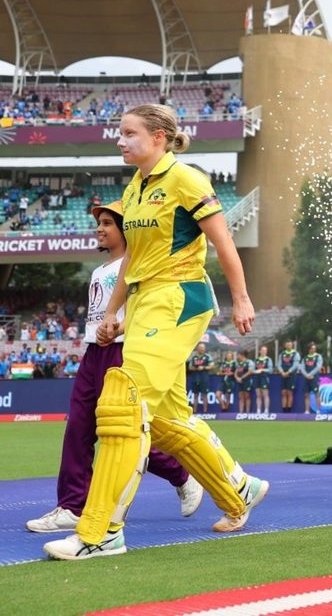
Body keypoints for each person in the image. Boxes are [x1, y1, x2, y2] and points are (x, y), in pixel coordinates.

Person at [44, 104, 265, 561]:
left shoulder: (187, 179)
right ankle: (238, 488)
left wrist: (241, 298)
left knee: (121, 404)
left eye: (129, 133)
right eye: (119, 133)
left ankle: (101, 531)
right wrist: (114, 310)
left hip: (180, 297)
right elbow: (132, 260)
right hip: (145, 302)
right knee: (166, 422)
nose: (120, 140)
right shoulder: (136, 186)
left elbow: (223, 241)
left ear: (160, 137)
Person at [26, 199, 202, 535]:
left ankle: (182, 475)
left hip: (123, 351)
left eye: (107, 223)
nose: (100, 229)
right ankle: (73, 506)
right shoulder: (99, 270)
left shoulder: (137, 267)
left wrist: (118, 329)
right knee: (78, 427)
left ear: (125, 229)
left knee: (122, 433)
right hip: (94, 353)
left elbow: (144, 312)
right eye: (99, 223)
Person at [187, 344, 213, 413]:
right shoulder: (194, 357)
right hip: (195, 378)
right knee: (195, 395)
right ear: (197, 349)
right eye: (200, 348)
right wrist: (195, 368)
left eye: (203, 348)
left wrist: (203, 367)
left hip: (204, 378)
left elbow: (212, 366)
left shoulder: (208, 357)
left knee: (204, 394)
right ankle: (194, 411)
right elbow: (190, 367)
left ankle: (205, 411)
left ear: (204, 349)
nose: (201, 349)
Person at [276, 340, 301, 413]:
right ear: (285, 345)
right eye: (287, 345)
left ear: (292, 345)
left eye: (290, 345)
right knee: (283, 392)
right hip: (283, 375)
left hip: (291, 375)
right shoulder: (282, 354)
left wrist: (288, 372)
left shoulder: (295, 354)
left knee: (290, 392)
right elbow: (279, 364)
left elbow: (295, 365)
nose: (289, 346)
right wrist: (282, 372)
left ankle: (289, 410)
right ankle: (284, 410)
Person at [299, 343, 322, 414]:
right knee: (306, 394)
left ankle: (318, 410)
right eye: (312, 348)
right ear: (309, 349)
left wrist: (310, 374)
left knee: (317, 394)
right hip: (306, 378)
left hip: (314, 378)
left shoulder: (318, 356)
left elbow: (318, 367)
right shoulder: (305, 358)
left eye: (314, 348)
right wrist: (306, 375)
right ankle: (307, 410)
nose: (314, 350)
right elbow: (302, 368)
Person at [253, 345, 273, 415]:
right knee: (258, 395)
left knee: (265, 394)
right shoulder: (256, 360)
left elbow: (270, 370)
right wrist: (255, 371)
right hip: (257, 378)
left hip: (264, 377)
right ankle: (258, 410)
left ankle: (266, 410)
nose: (264, 352)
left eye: (265, 350)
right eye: (263, 350)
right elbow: (253, 369)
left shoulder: (268, 359)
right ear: (260, 351)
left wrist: (262, 370)